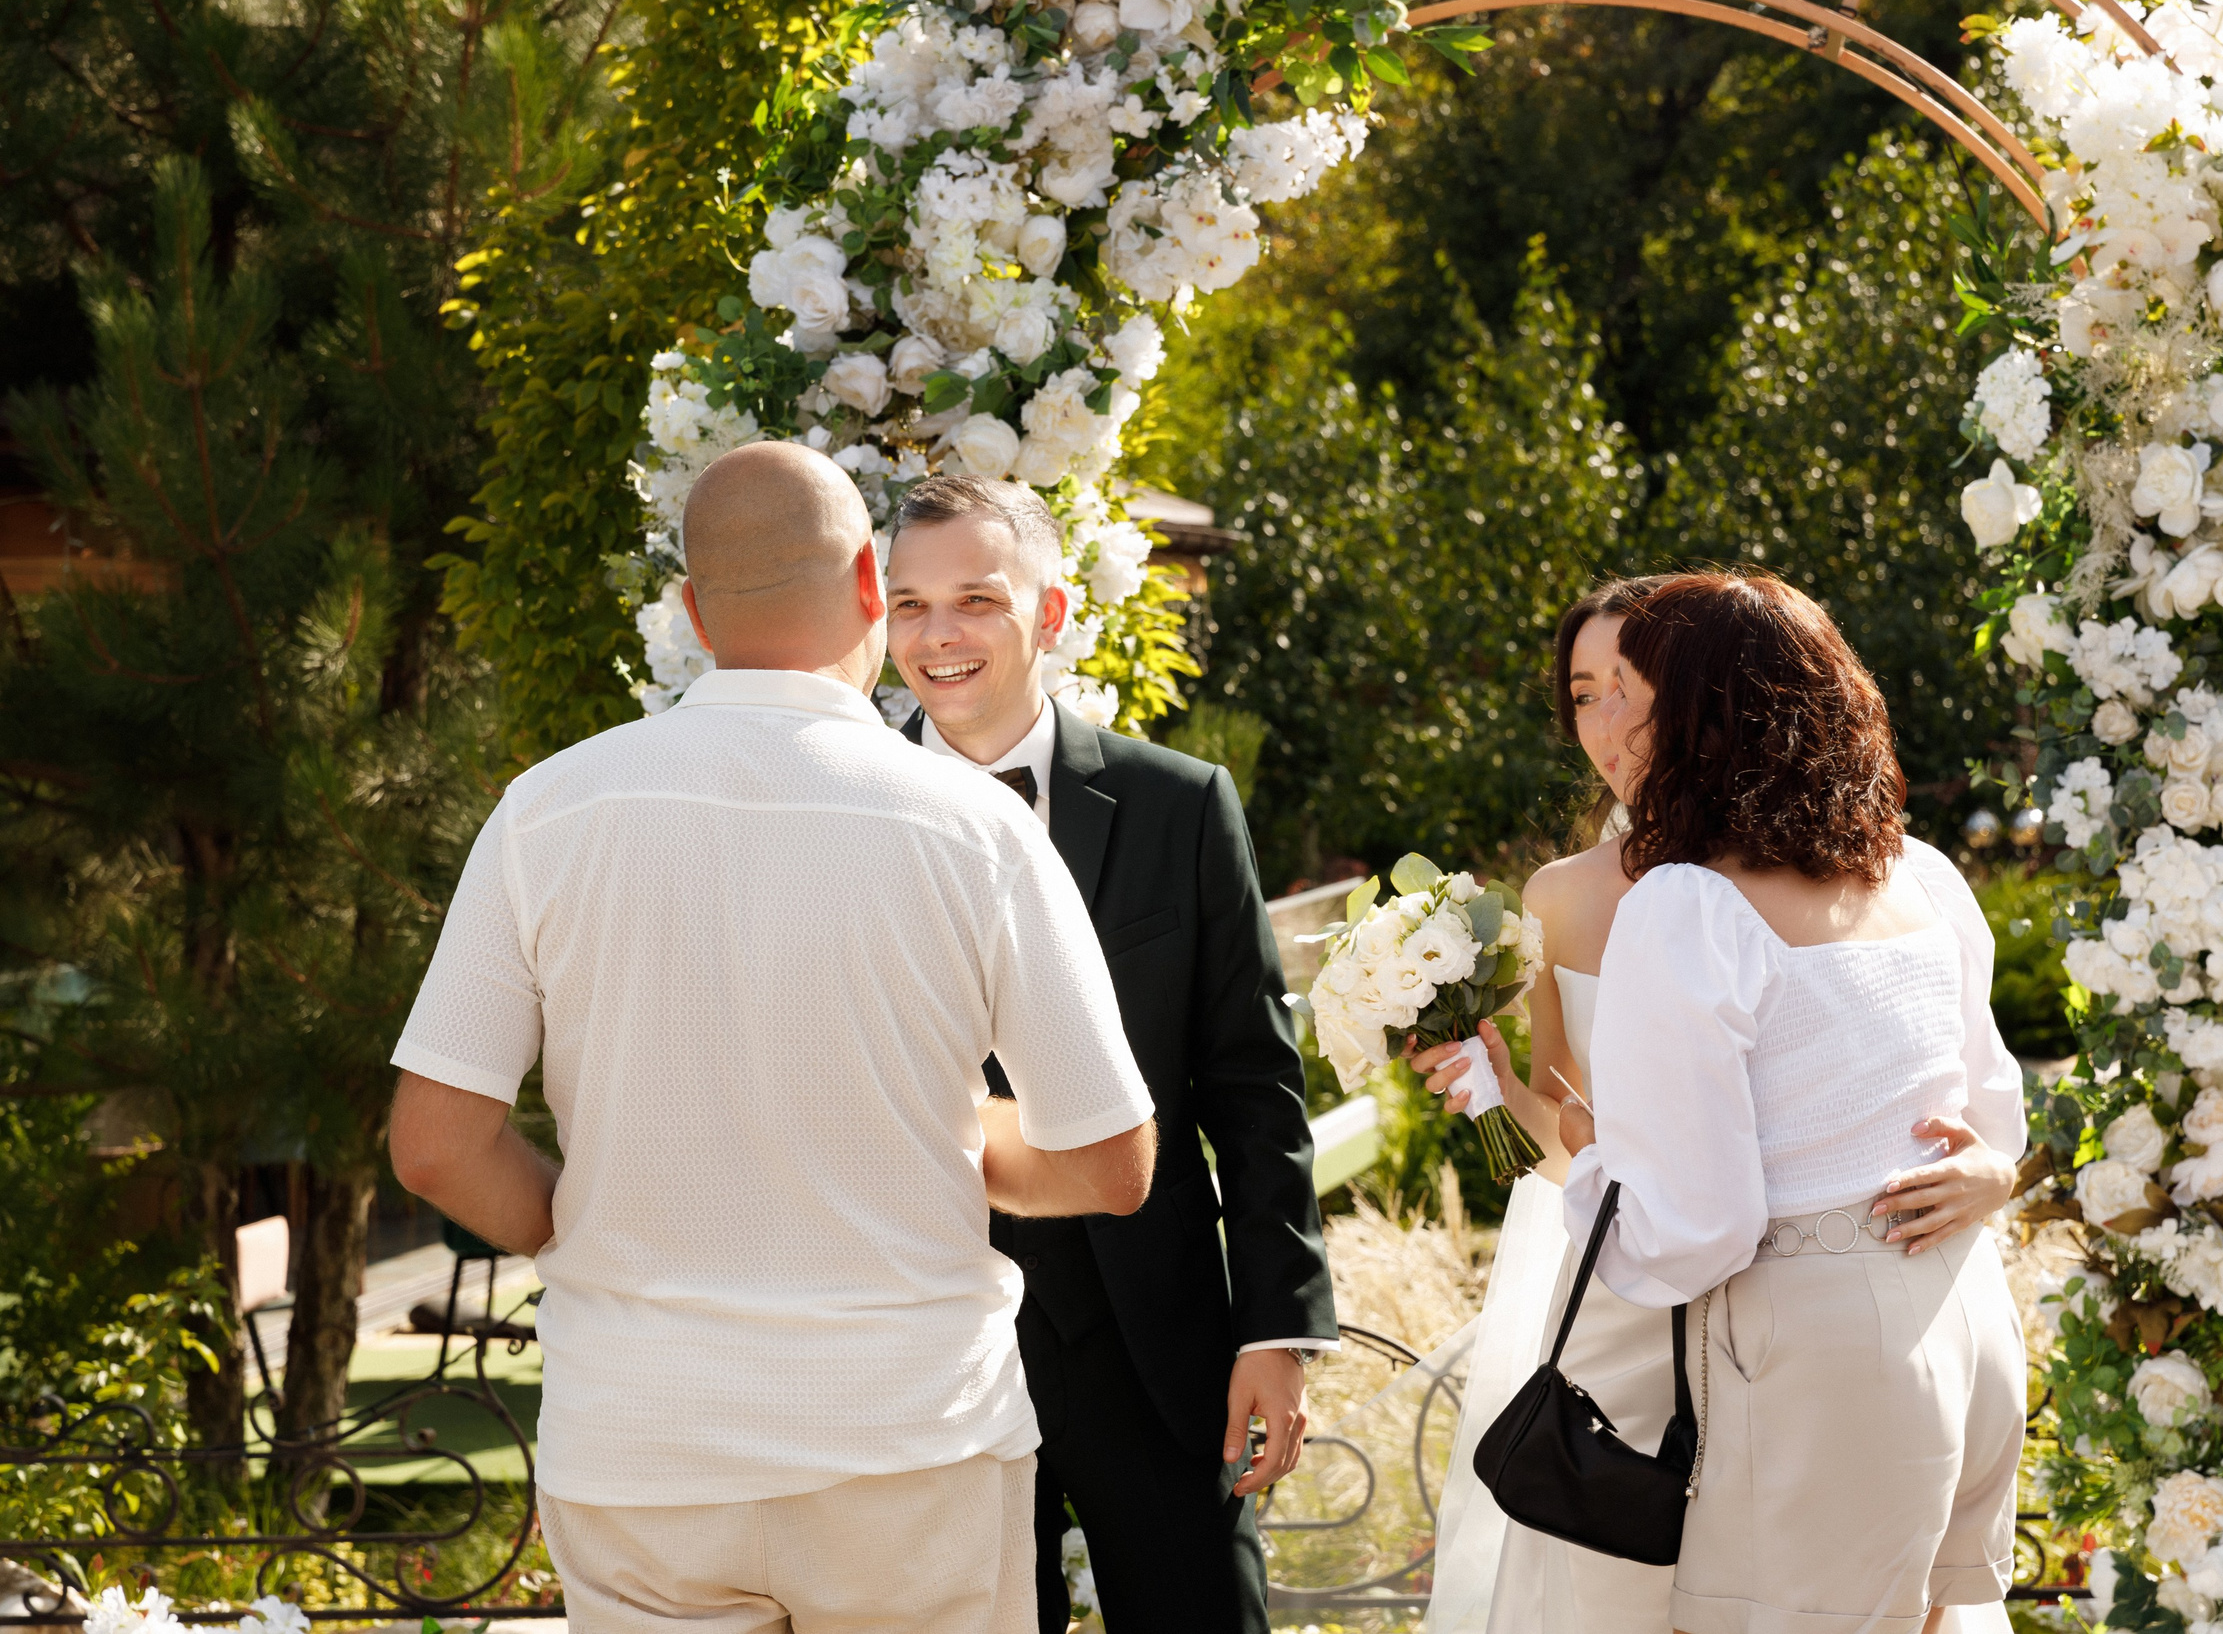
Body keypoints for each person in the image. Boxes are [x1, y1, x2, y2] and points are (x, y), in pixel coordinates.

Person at [384, 442, 1160, 1634]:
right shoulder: (977, 830)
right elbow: (1114, 1161)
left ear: (691, 611)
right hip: (908, 1439)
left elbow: (436, 1145)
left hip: (641, 1439)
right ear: (868, 585)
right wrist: (965, 1143)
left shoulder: (548, 809)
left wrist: (578, 1217)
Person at [1420, 572, 2027, 1634]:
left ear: (1706, 714)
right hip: (1959, 1314)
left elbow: (1694, 1232)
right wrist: (1993, 1175)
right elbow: (1990, 1119)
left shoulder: (1688, 904)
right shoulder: (1923, 875)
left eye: (1647, 692)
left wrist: (1590, 1150)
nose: (1619, 723)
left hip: (1804, 1353)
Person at [881, 475, 1338, 1634]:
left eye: (976, 599)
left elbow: (1250, 1081)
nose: (938, 636)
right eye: (908, 603)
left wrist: (1275, 1330)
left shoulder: (1179, 805)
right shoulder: (844, 807)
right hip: (920, 1340)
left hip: (1159, 1339)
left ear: (1050, 612)